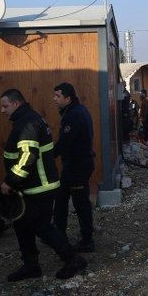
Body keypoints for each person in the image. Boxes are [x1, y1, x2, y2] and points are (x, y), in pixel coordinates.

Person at [0, 89, 87, 282]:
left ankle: (72, 259)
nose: (2, 110)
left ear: (16, 103)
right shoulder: (29, 119)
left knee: (42, 227)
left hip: (39, 187)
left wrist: (10, 181)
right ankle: (31, 266)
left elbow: (27, 156)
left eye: (5, 106)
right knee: (22, 225)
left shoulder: (27, 123)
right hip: (32, 186)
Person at [52, 82, 96, 253]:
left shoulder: (73, 115)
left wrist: (49, 157)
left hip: (78, 166)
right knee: (61, 198)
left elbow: (65, 142)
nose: (54, 99)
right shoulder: (76, 111)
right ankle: (58, 234)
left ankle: (87, 240)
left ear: (68, 98)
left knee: (80, 203)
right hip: (73, 165)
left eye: (58, 96)